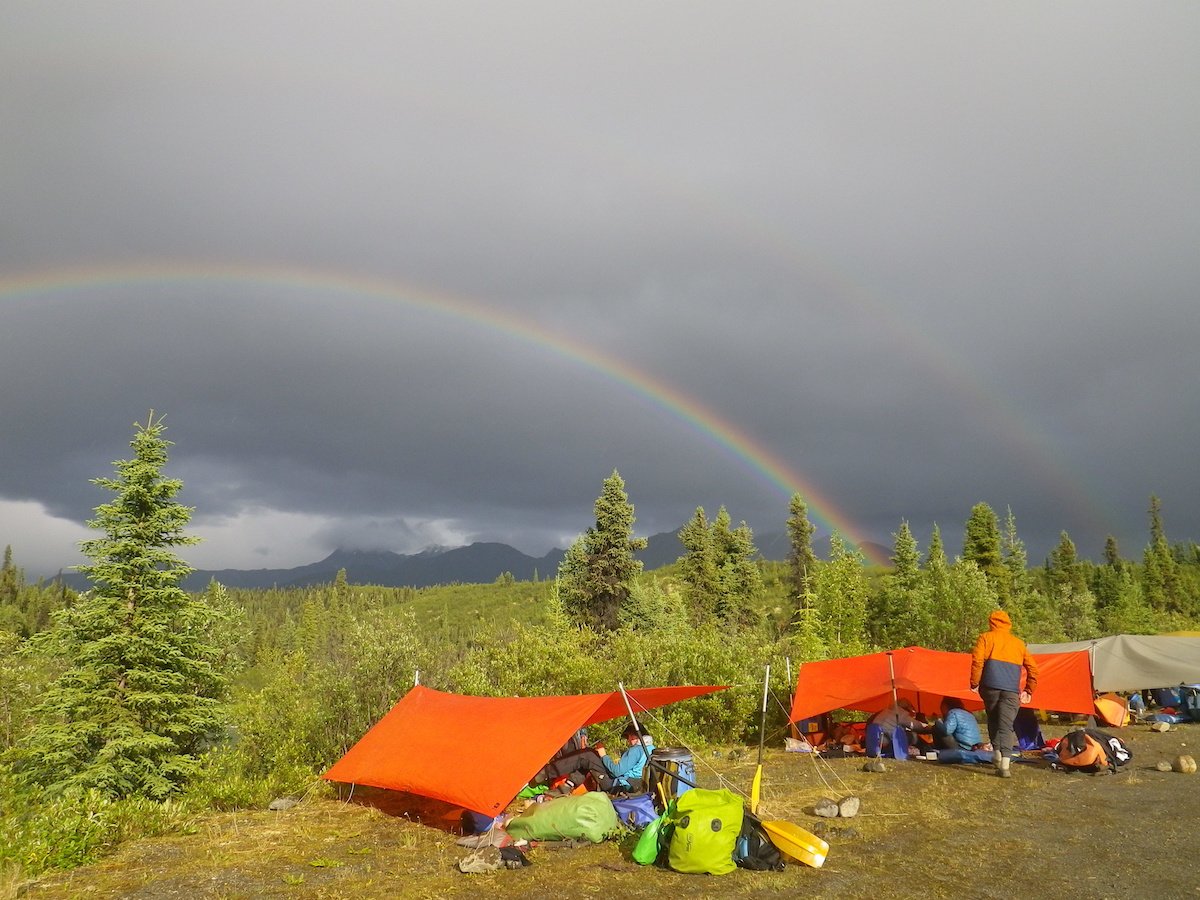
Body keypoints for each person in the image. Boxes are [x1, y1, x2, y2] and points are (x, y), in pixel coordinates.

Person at [970, 609, 1038, 778]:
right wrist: (1029, 689)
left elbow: (977, 661)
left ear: (991, 622)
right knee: (1006, 726)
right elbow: (1033, 669)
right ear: (1009, 624)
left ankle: (997, 755)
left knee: (993, 720)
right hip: (1011, 691)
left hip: (990, 686)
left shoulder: (985, 638)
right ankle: (1005, 766)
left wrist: (974, 682)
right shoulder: (1018, 643)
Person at [597, 722, 656, 792]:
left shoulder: (636, 750)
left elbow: (617, 771)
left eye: (628, 736)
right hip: (644, 784)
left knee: (596, 774)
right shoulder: (652, 748)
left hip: (629, 785)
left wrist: (604, 755)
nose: (628, 740)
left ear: (633, 736)